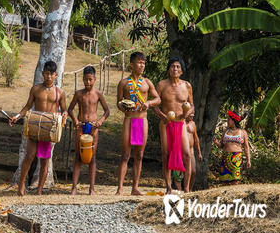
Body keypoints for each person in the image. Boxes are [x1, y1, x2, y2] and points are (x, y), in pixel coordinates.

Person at [9, 61, 68, 196]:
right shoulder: (35, 89)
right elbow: (27, 106)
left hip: (49, 129)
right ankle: (21, 187)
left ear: (56, 75)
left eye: (51, 74)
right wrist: (17, 116)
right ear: (42, 74)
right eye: (46, 74)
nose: (48, 77)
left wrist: (64, 115)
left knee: (45, 160)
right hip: (35, 126)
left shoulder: (60, 93)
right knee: (29, 156)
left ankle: (39, 190)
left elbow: (65, 109)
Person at [116, 51, 161, 195]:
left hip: (142, 120)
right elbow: (118, 102)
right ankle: (120, 188)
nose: (142, 65)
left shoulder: (147, 82)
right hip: (129, 119)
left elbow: (158, 99)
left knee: (139, 155)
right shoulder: (123, 83)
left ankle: (135, 187)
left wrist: (148, 103)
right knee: (125, 155)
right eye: (139, 62)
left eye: (143, 63)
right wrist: (123, 106)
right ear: (132, 64)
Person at [153, 56, 194, 194]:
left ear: (181, 71)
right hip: (166, 123)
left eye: (178, 67)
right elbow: (154, 106)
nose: (175, 69)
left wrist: (187, 114)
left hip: (181, 123)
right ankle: (169, 187)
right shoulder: (161, 85)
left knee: (187, 154)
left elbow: (192, 106)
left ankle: (187, 188)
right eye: (172, 66)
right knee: (165, 154)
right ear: (168, 69)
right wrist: (163, 116)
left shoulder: (187, 86)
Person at [68, 66, 110, 195]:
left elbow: (107, 111)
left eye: (90, 80)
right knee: (78, 156)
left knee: (92, 157)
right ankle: (74, 187)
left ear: (95, 79)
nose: (88, 82)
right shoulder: (78, 94)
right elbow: (70, 109)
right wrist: (75, 120)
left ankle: (91, 188)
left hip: (93, 128)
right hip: (81, 126)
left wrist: (100, 122)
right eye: (86, 80)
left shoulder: (98, 94)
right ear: (82, 79)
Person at [214, 110, 251, 184]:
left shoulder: (243, 132)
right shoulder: (225, 131)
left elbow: (246, 147)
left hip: (236, 158)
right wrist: (216, 142)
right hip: (225, 157)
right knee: (224, 180)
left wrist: (248, 160)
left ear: (234, 121)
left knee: (235, 180)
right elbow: (221, 145)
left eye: (229, 119)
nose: (227, 121)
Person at [172, 112, 202, 191]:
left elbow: (196, 139)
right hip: (179, 150)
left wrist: (199, 153)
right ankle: (179, 190)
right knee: (177, 173)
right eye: (191, 113)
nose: (193, 115)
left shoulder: (193, 124)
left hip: (191, 151)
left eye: (193, 113)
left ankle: (189, 189)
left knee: (193, 171)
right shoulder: (180, 122)